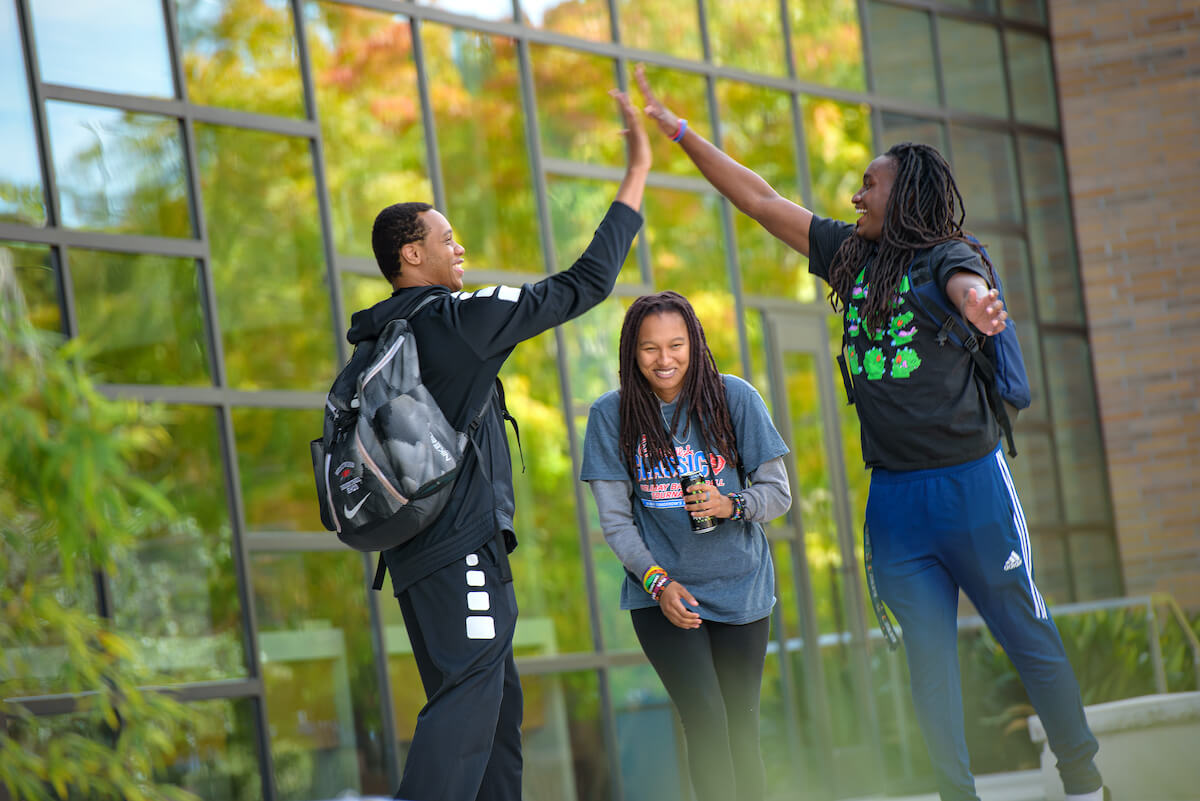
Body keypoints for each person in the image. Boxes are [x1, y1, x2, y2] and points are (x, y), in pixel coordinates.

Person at [630, 66, 1109, 801]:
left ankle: (1083, 781)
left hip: (973, 487)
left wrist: (980, 302)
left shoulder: (949, 255)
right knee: (926, 666)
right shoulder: (848, 259)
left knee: (1025, 631)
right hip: (895, 502)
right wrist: (683, 134)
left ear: (906, 194)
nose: (856, 194)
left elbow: (966, 285)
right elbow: (759, 199)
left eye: (869, 184)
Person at [351, 90, 649, 801]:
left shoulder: (379, 338)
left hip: (418, 558)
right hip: (457, 552)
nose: (461, 249)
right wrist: (636, 172)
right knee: (465, 708)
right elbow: (586, 284)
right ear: (410, 252)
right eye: (446, 239)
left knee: (493, 715)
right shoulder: (454, 319)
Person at [580, 290, 792, 801]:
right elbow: (616, 521)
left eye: (676, 345)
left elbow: (778, 493)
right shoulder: (611, 416)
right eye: (650, 348)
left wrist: (731, 505)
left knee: (741, 730)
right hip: (664, 594)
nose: (665, 359)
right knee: (705, 720)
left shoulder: (734, 398)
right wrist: (658, 583)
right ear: (632, 351)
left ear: (694, 344)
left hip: (741, 588)